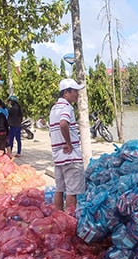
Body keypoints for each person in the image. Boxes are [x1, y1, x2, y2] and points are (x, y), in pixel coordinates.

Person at [49, 78, 86, 211]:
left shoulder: (54, 108)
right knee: (72, 191)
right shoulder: (67, 107)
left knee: (59, 189)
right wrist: (69, 143)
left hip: (58, 157)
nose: (77, 94)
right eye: (75, 91)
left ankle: (58, 218)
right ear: (66, 93)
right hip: (70, 157)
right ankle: (70, 221)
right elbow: (63, 123)